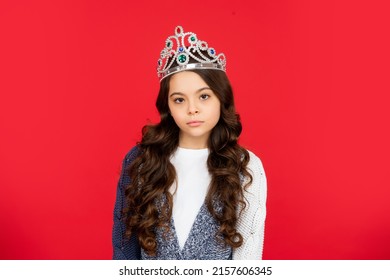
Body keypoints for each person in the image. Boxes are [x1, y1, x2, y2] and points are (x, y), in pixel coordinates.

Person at [112, 26, 267, 260]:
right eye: (179, 99)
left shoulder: (246, 166)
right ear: (168, 107)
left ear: (221, 99)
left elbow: (248, 255)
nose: (192, 108)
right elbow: (125, 246)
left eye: (204, 96)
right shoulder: (141, 160)